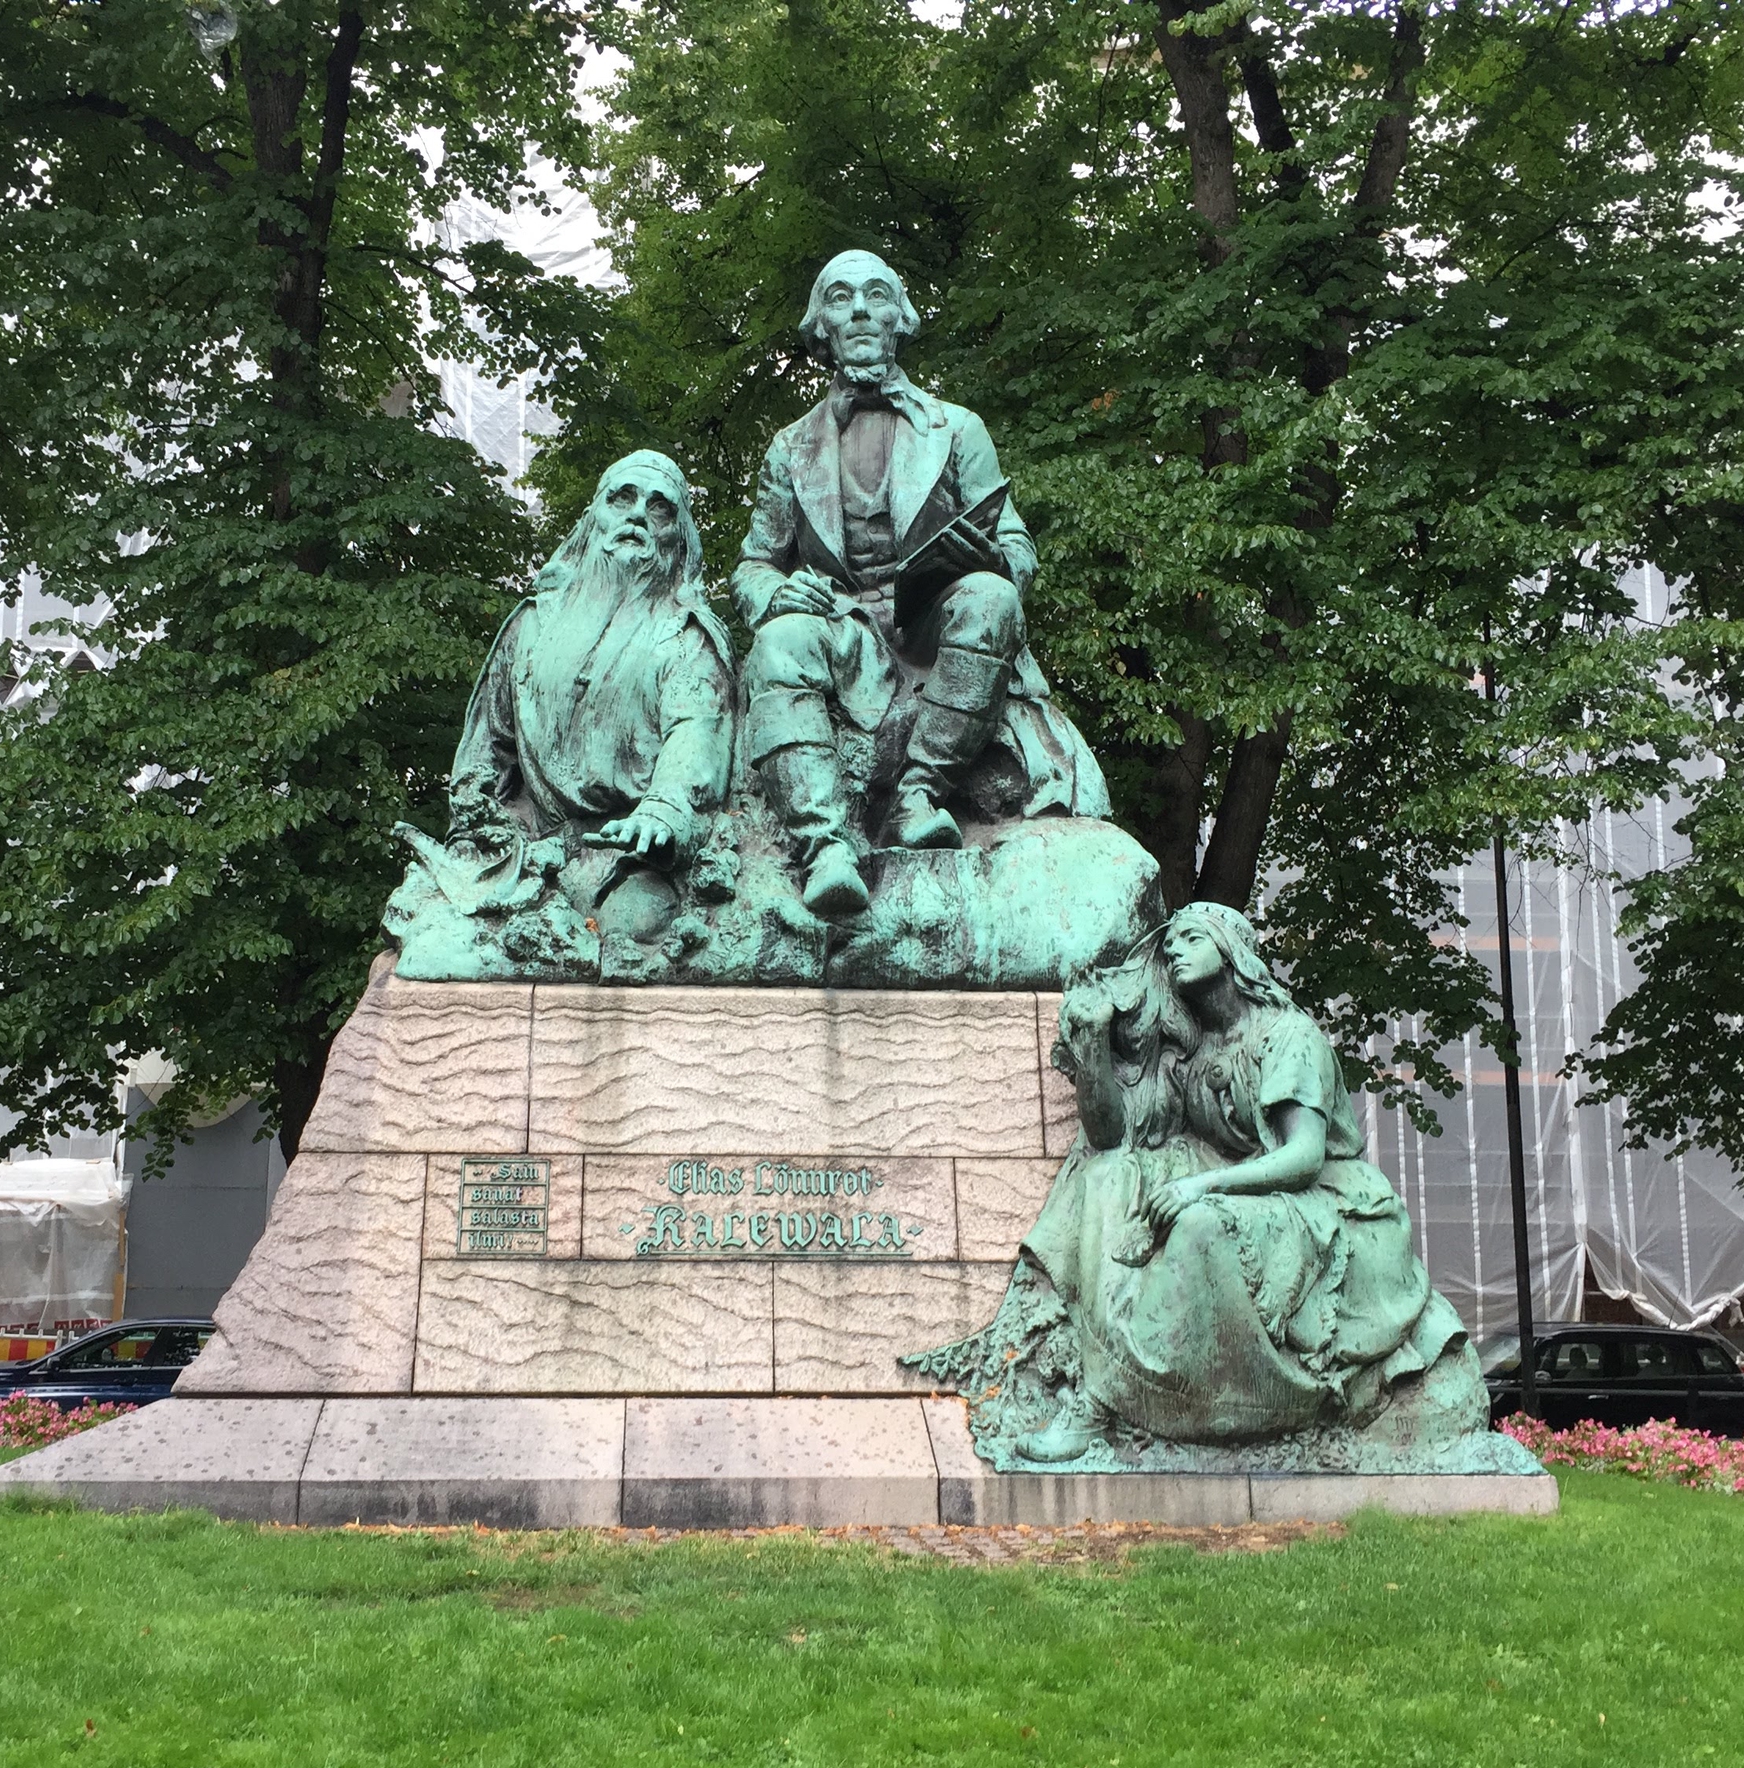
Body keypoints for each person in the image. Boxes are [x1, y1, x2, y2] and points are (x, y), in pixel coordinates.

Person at [1011, 902, 1470, 1461]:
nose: (1174, 950)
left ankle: (1105, 1402)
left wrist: (1201, 1187)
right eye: (1171, 942)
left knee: (1199, 1225)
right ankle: (1101, 1353)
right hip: (1246, 1188)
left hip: (1323, 1204)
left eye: (1191, 938)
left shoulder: (1289, 1035)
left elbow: (1303, 1158)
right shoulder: (1193, 1051)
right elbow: (1110, 1135)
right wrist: (1092, 1043)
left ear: (1230, 951)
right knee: (1109, 1173)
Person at [732, 250, 1106, 920]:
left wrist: (985, 557)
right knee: (778, 643)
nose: (861, 312)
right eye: (841, 298)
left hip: (930, 621)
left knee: (990, 597)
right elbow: (754, 564)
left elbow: (1018, 548)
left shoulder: (957, 429)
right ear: (822, 326)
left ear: (899, 318)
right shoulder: (789, 447)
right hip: (841, 628)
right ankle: (826, 850)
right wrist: (776, 593)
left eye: (877, 296)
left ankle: (920, 793)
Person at [441, 450, 735, 949]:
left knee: (636, 930)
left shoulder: (687, 637)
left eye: (660, 509)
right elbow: (488, 748)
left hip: (630, 857)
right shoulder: (530, 624)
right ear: (592, 517)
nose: (638, 515)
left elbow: (696, 734)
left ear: (677, 540)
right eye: (623, 499)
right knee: (444, 936)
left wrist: (663, 811)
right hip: (528, 846)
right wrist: (469, 826)